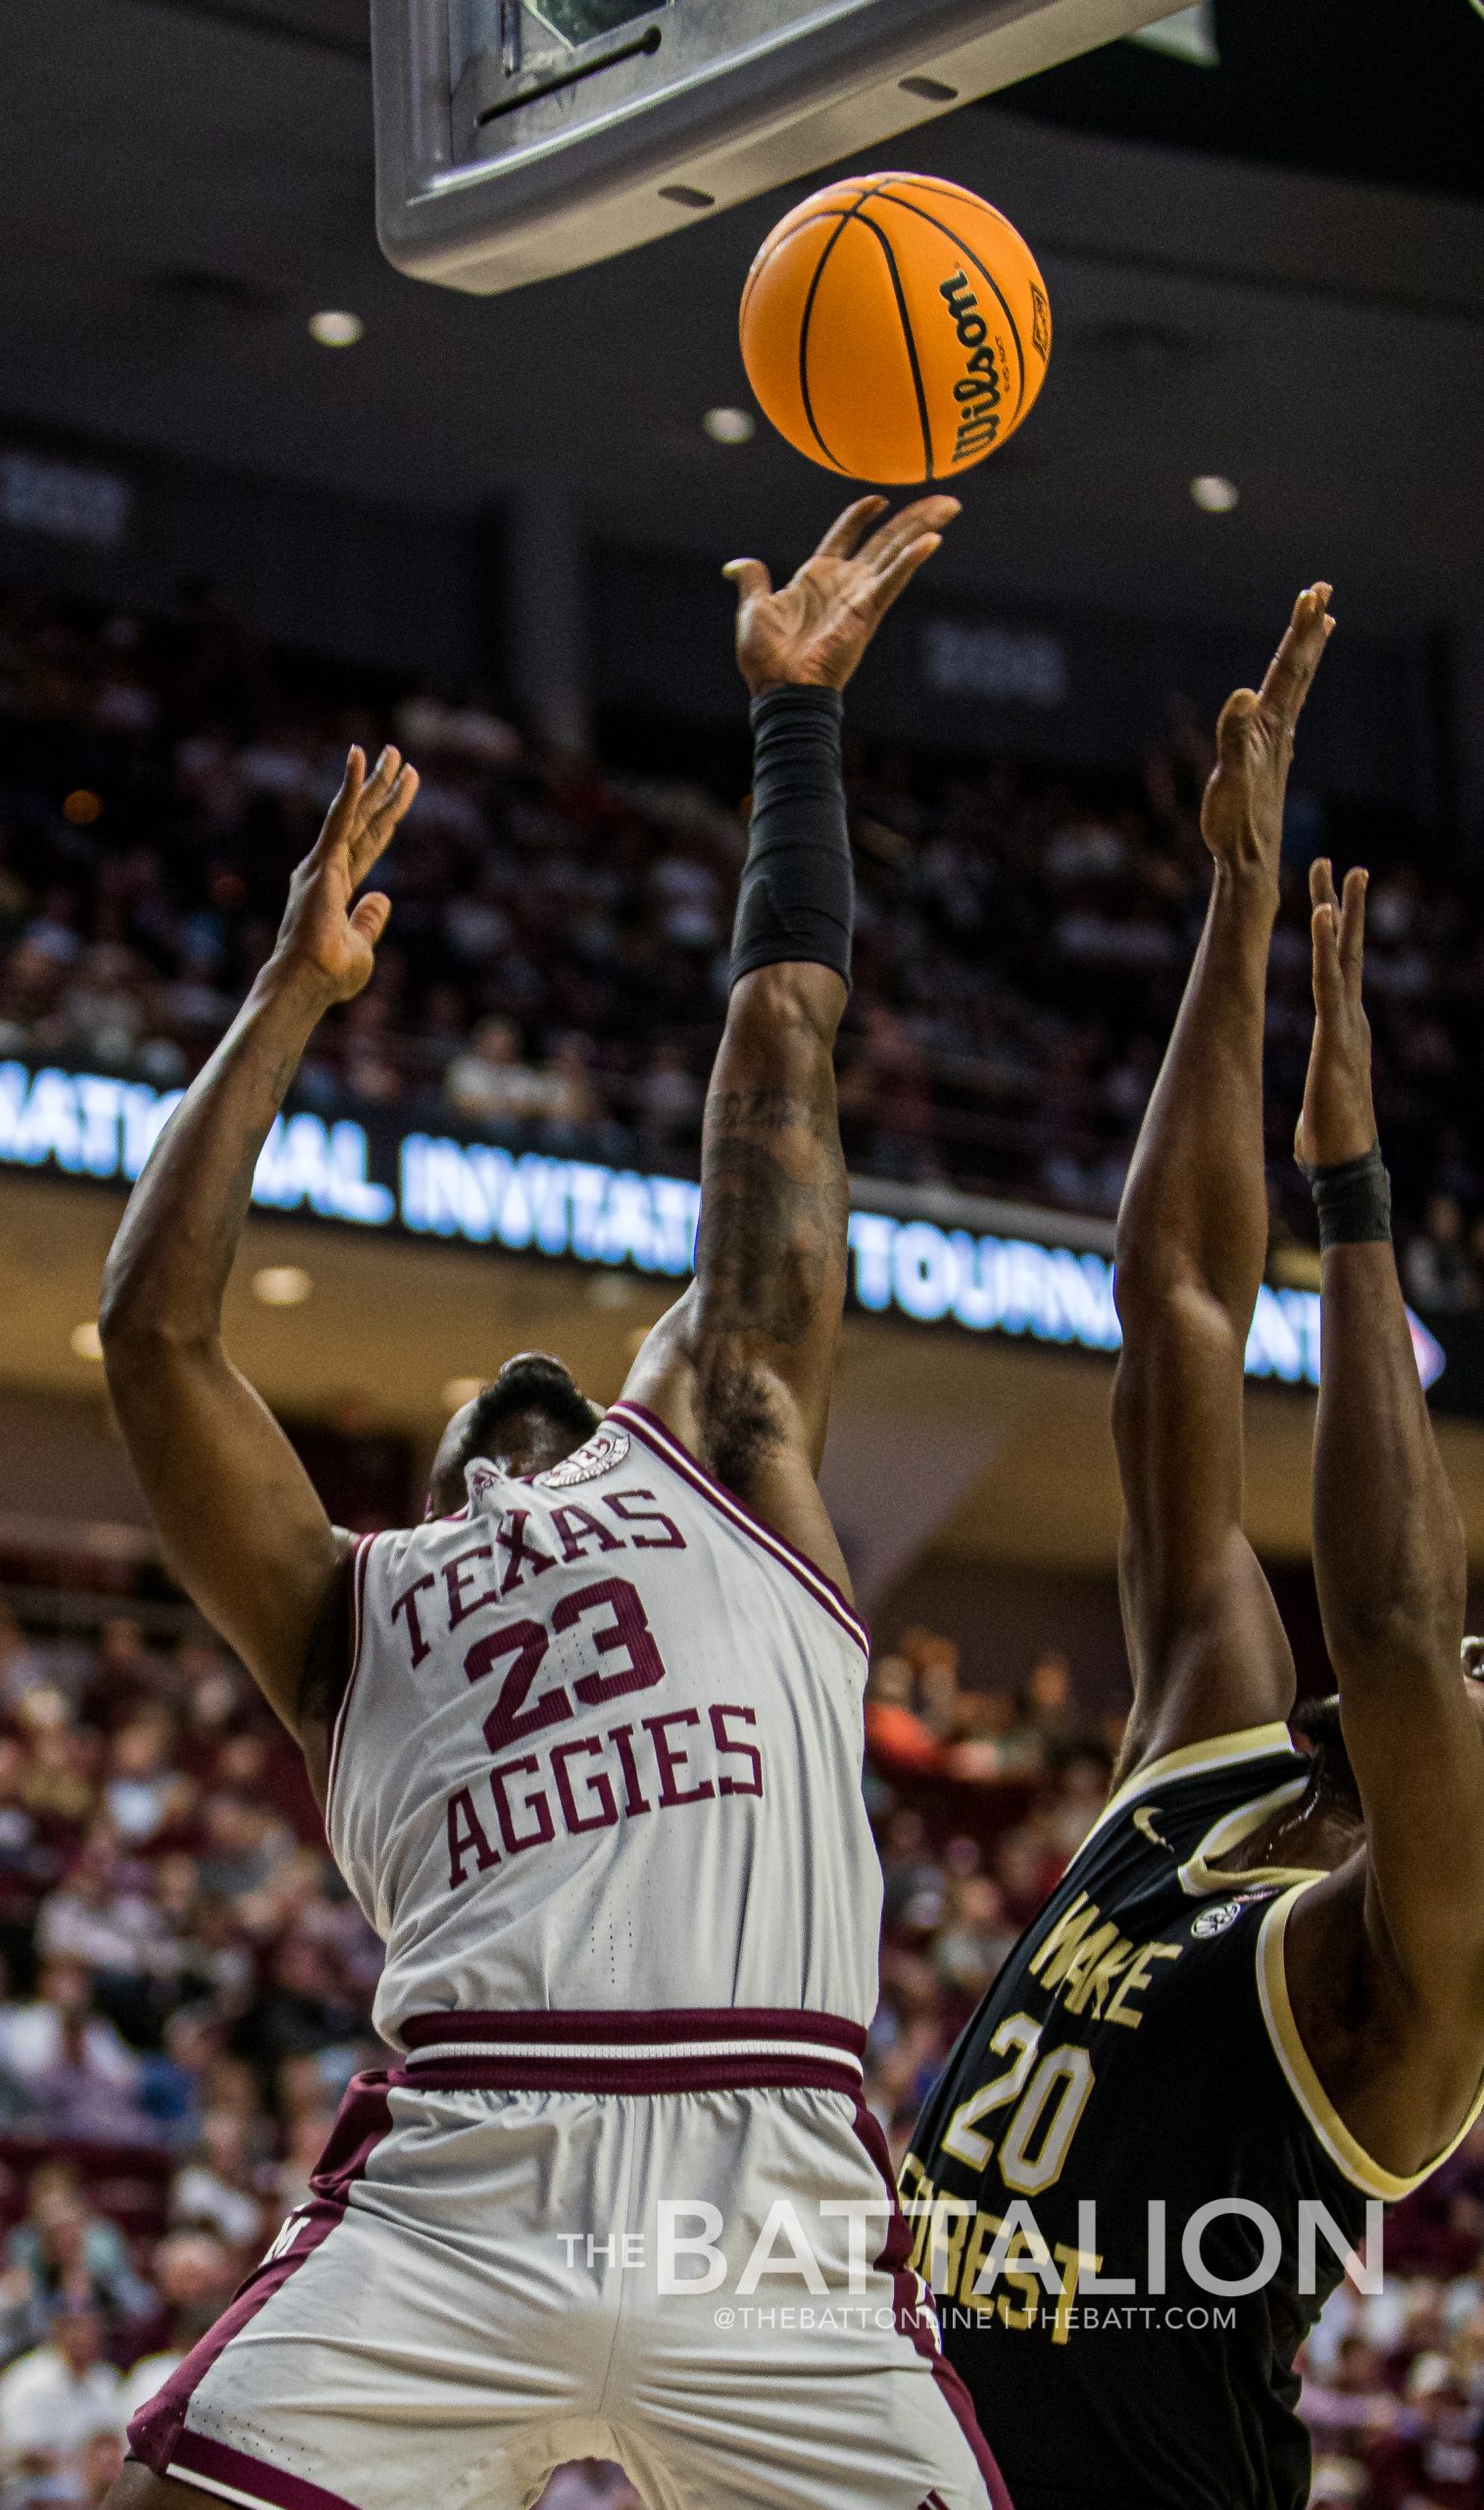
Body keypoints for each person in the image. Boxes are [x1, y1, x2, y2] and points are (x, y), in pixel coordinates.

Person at [98, 494, 1011, 2510]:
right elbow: (154, 1341)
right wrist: (284, 999)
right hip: (462, 2187)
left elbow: (780, 1062)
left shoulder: (731, 1450)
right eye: (468, 1421)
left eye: (555, 1396)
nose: (513, 1407)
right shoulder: (353, 1610)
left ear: (625, 1402)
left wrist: (792, 729)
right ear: (423, 1485)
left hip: (763, 2199)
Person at [908, 583, 1484, 2510]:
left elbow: (1401, 1622)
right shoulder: (1207, 1744)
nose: (1471, 1679)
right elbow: (1165, 1311)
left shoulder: (1413, 1980)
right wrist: (1230, 904)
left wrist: (1355, 1199)